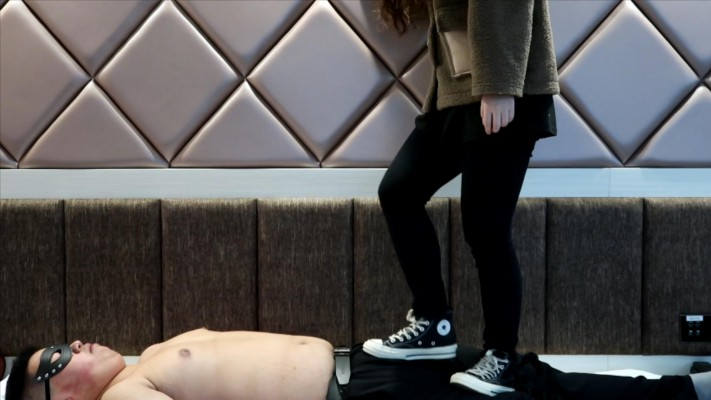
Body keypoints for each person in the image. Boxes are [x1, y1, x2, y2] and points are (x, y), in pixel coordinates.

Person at [366, 0, 560, 396]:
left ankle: (501, 356)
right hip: (457, 94)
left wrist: (500, 85)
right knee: (399, 192)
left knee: (486, 228)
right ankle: (434, 324)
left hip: (502, 88)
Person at [5, 328, 709, 400]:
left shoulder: (148, 359)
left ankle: (686, 390)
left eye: (62, 340)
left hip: (363, 366)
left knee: (516, 372)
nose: (76, 345)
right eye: (55, 360)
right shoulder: (124, 399)